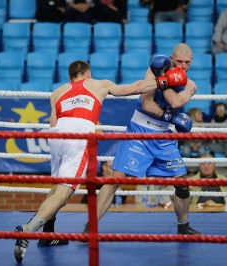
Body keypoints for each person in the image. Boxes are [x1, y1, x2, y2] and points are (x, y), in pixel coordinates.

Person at [13, 60, 188, 263]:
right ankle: (27, 231)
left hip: (56, 136)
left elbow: (53, 123)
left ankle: (47, 235)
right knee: (64, 192)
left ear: (71, 78)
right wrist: (163, 81)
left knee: (56, 184)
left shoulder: (58, 92)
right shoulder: (98, 84)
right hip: (77, 136)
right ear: (88, 73)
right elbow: (136, 88)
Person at [81, 43, 202, 236]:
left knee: (182, 182)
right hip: (139, 129)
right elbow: (147, 105)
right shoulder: (153, 70)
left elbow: (176, 102)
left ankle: (183, 226)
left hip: (163, 135)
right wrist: (168, 109)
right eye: (179, 61)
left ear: (192, 62)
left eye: (187, 62)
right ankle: (91, 226)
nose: (183, 65)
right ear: (172, 59)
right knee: (116, 179)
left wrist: (164, 80)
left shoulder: (190, 85)